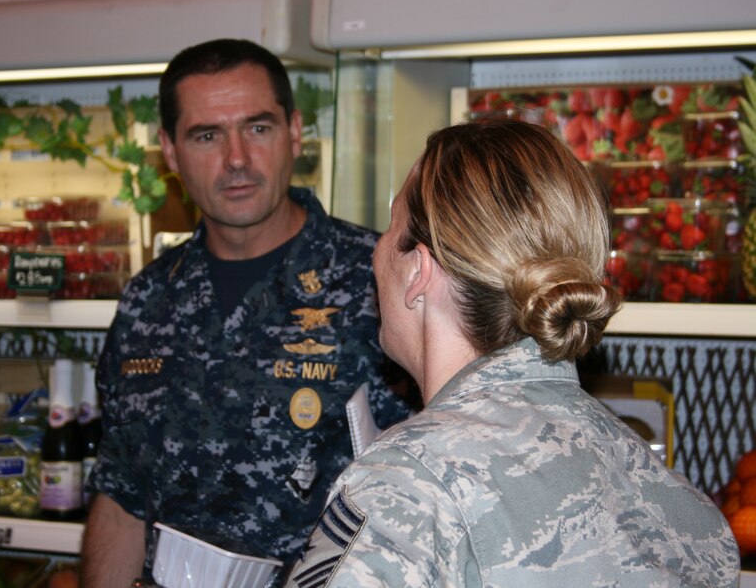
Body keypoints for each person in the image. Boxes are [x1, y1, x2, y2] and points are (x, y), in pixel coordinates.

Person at [284, 119, 741, 587]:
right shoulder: (682, 507)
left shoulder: (407, 485)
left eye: (389, 226)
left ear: (418, 270)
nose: (376, 251)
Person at [80, 38, 415, 587]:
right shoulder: (147, 300)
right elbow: (121, 498)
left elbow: (433, 495)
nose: (236, 159)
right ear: (169, 150)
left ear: (295, 131)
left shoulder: (382, 282)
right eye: (207, 135)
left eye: (258, 128)